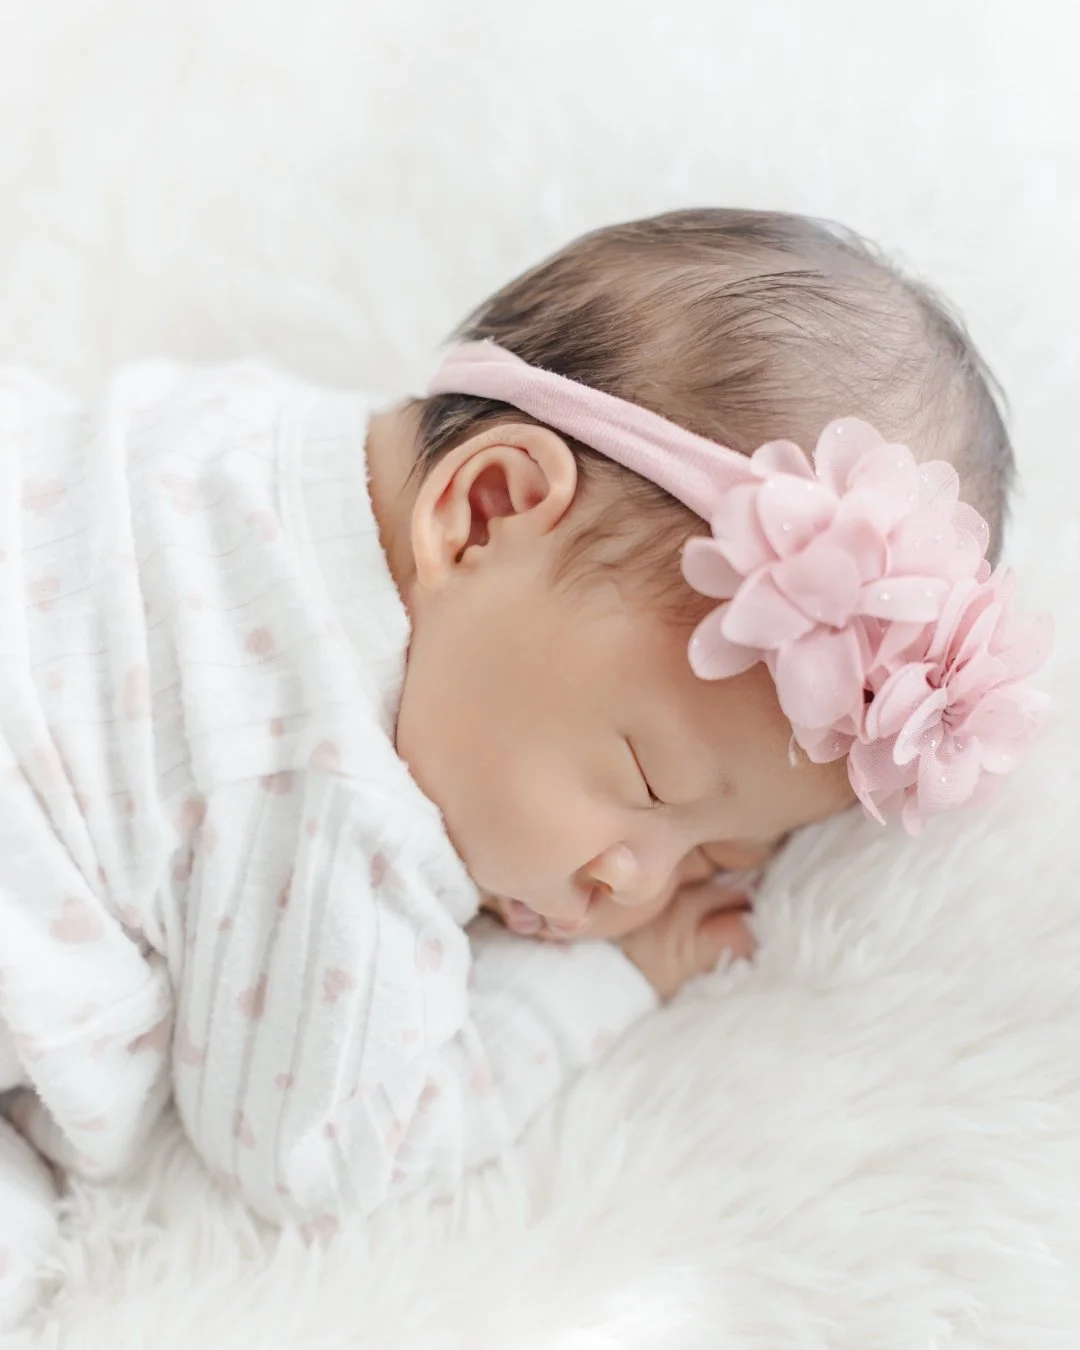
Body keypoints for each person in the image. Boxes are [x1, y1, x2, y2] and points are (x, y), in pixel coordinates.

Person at [0, 209, 1050, 1326]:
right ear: (486, 508)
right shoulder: (338, 803)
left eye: (716, 858)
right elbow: (323, 1154)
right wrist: (609, 978)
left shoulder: (234, 431)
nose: (637, 886)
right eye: (650, 787)